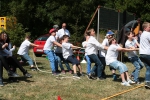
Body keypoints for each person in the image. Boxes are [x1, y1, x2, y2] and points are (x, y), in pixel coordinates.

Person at [139, 22, 150, 89]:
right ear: (145, 28)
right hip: (148, 53)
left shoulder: (142, 34)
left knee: (148, 68)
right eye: (149, 27)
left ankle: (147, 82)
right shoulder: (148, 34)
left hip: (142, 54)